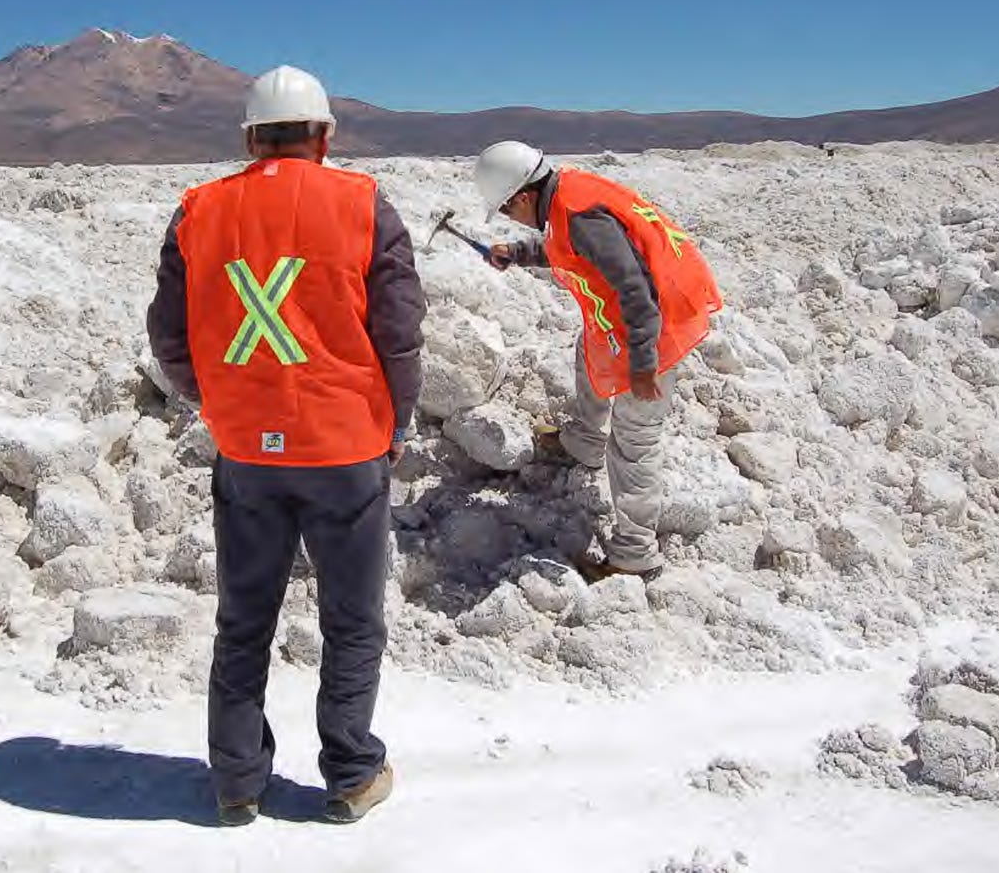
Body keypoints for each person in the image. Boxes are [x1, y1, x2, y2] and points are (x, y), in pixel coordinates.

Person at [147, 65, 426, 827]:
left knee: (244, 619)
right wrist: (395, 423)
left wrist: (215, 401)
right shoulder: (366, 206)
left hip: (247, 453)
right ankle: (351, 774)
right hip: (345, 450)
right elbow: (398, 335)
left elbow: (169, 335)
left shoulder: (197, 212)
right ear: (326, 135)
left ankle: (236, 781)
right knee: (352, 619)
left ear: (247, 136)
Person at [472, 141, 722, 582]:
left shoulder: (581, 216)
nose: (511, 219)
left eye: (507, 212)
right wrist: (520, 253)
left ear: (523, 196)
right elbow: (576, 251)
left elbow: (635, 290)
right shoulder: (568, 194)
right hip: (639, 316)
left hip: (655, 322)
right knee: (587, 347)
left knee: (635, 436)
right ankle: (586, 442)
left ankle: (635, 553)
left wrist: (644, 365)